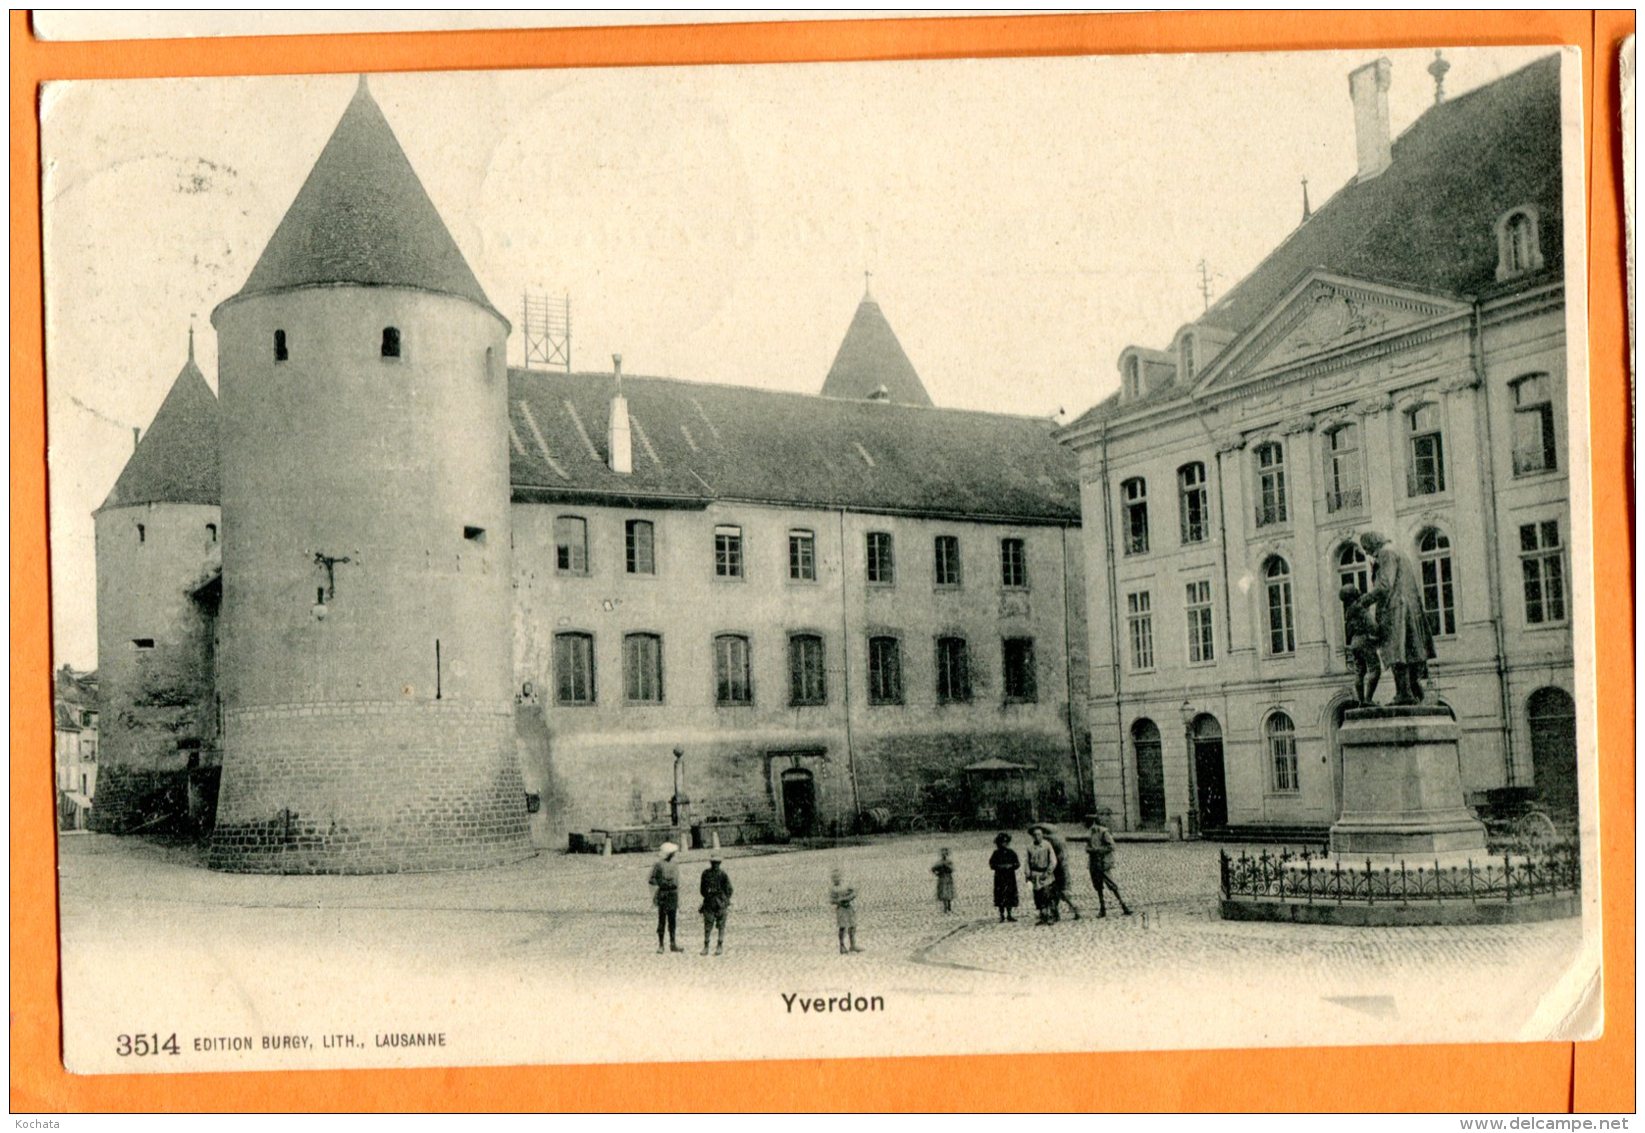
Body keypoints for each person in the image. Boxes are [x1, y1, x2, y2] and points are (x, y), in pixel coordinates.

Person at [1352, 531, 1437, 705]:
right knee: (1406, 651)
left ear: (1373, 543)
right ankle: (1412, 694)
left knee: (1396, 651)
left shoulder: (1386, 553)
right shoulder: (1396, 550)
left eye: (1366, 548)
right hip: (1406, 608)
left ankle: (1404, 694)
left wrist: (1365, 600)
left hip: (1396, 609)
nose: (1367, 553)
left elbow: (1385, 584)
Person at [1339, 583, 1381, 706]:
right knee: (1375, 670)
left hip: (1354, 642)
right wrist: (1378, 633)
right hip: (1364, 641)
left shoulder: (1348, 612)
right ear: (1353, 595)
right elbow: (1372, 625)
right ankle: (1368, 699)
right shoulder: (1360, 608)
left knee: (1359, 672)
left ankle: (1361, 700)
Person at [1085, 817, 1132, 917]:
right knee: (1098, 887)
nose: (1091, 827)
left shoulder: (1104, 833)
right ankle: (1102, 909)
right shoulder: (1090, 833)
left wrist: (1098, 850)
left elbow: (1112, 846)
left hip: (1103, 863)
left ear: (1095, 823)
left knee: (1112, 885)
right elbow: (1087, 847)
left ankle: (1124, 906)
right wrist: (1089, 849)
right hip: (1094, 863)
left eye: (1091, 824)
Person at [1041, 824, 1082, 921]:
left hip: (1058, 871)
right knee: (1056, 893)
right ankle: (1057, 913)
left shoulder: (1053, 842)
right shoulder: (1059, 840)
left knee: (1061, 893)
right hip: (1060, 870)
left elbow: (1055, 859)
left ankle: (1074, 911)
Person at [649, 842, 684, 953]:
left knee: (672, 921)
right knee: (662, 920)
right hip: (663, 894)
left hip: (673, 895)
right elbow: (652, 879)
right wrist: (662, 882)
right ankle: (661, 945)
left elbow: (677, 880)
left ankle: (673, 944)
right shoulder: (658, 865)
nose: (674, 855)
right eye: (673, 853)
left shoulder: (675, 864)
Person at [699, 854, 733, 955]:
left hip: (720, 903)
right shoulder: (705, 874)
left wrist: (724, 899)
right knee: (708, 925)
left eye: (717, 863)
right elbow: (702, 890)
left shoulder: (723, 875)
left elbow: (729, 889)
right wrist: (708, 895)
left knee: (721, 925)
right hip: (709, 902)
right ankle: (706, 946)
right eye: (714, 863)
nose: (715, 865)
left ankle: (719, 945)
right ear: (711, 863)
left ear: (720, 863)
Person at [1024, 826, 1057, 925]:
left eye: (1039, 835)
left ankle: (1051, 916)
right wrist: (1028, 874)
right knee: (1038, 897)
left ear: (1042, 835)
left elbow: (1053, 860)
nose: (1037, 837)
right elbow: (1027, 862)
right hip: (1035, 874)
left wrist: (1048, 872)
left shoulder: (1047, 845)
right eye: (1035, 835)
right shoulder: (1030, 847)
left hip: (1046, 874)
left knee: (1047, 895)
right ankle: (1043, 916)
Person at [988, 832, 1020, 922]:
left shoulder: (1011, 852)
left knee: (1010, 894)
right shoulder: (996, 853)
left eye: (1006, 842)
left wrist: (1011, 866)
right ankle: (1001, 914)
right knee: (1000, 894)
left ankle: (1009, 914)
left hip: (1010, 877)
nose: (1004, 844)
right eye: (1002, 842)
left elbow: (1017, 864)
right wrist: (1000, 867)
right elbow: (991, 864)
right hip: (1000, 877)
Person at [829, 867, 863, 954]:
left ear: (840, 877)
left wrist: (848, 898)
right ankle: (842, 946)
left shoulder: (846, 886)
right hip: (841, 909)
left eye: (837, 877)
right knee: (842, 927)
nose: (836, 879)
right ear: (832, 879)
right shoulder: (833, 889)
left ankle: (853, 945)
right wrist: (839, 901)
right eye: (834, 877)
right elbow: (831, 900)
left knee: (852, 925)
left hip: (849, 907)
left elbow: (854, 892)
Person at [931, 847, 956, 913]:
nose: (944, 855)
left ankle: (949, 907)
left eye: (945, 854)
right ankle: (945, 908)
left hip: (948, 878)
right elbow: (933, 869)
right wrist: (937, 873)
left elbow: (952, 869)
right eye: (943, 854)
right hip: (942, 878)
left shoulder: (949, 862)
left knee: (948, 893)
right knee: (944, 893)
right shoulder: (939, 862)